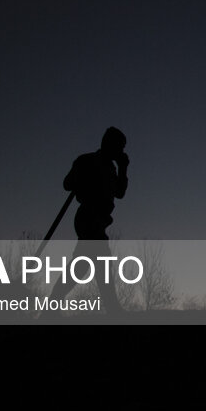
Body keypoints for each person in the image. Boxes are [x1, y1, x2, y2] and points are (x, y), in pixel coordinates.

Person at [48, 126, 130, 312]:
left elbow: (120, 193)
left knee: (81, 266)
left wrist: (124, 169)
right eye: (120, 147)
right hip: (87, 218)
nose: (121, 152)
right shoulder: (86, 160)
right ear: (110, 144)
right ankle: (113, 309)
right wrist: (81, 178)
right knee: (100, 263)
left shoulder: (112, 168)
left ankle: (52, 305)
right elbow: (67, 184)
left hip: (100, 220)